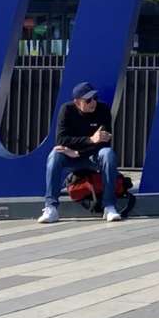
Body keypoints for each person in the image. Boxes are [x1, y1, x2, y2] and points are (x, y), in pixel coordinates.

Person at [45, 82, 124, 225]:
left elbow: (104, 142)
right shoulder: (66, 110)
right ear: (77, 102)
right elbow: (61, 140)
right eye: (88, 100)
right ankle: (51, 207)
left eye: (95, 98)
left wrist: (78, 151)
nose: (93, 102)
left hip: (91, 156)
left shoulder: (103, 109)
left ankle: (109, 206)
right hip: (71, 155)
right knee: (54, 155)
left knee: (108, 153)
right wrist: (89, 140)